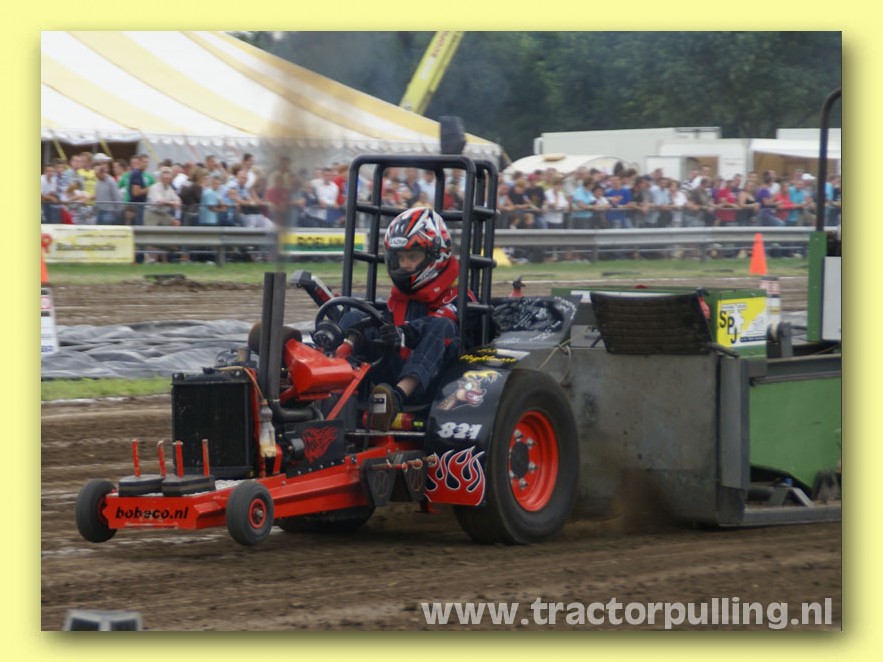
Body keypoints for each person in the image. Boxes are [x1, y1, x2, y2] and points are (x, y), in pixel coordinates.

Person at [342, 207, 467, 430]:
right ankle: (332, 380)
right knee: (354, 316)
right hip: (392, 372)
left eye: (412, 257)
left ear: (435, 255)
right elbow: (383, 324)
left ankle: (395, 399)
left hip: (436, 381)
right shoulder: (400, 297)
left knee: (442, 326)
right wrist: (378, 328)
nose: (405, 265)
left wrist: (403, 333)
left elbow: (437, 325)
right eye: (400, 258)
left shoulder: (458, 296)